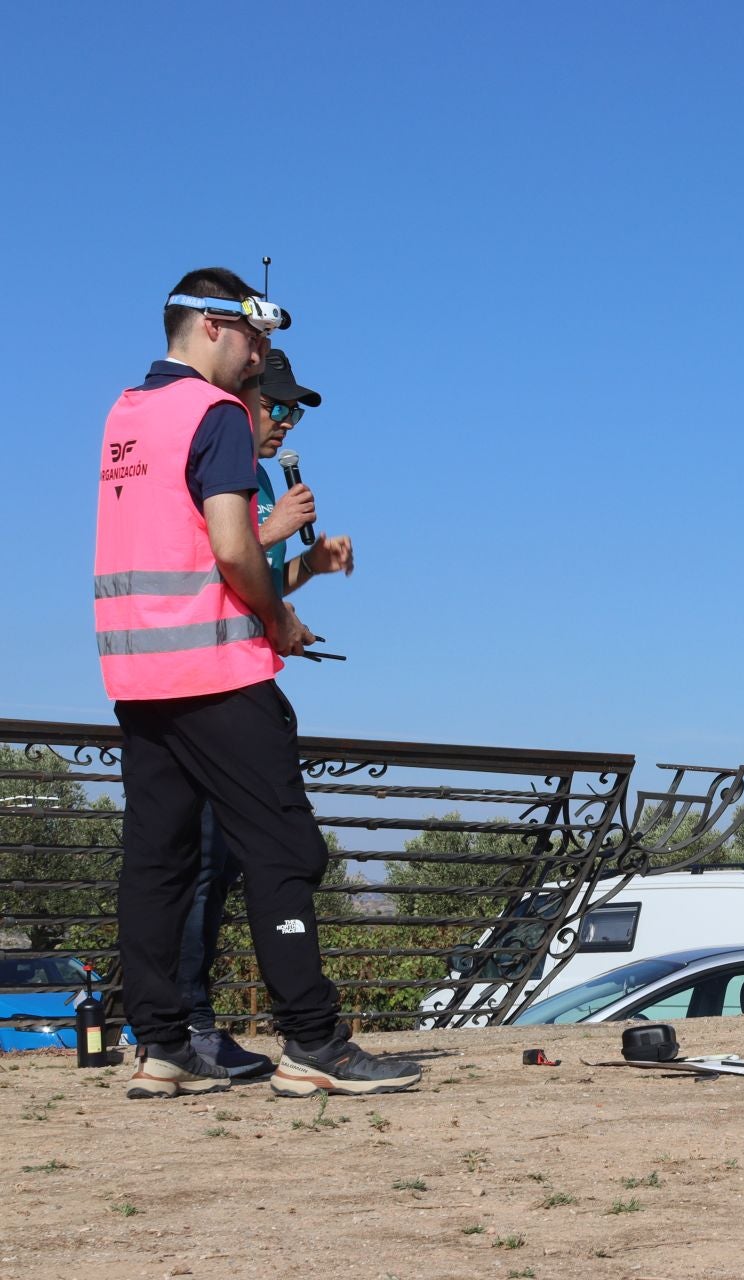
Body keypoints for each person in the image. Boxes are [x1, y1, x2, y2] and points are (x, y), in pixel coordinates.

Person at [95, 267, 416, 1098]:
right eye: (254, 337)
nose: (257, 355)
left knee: (157, 863)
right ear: (211, 325)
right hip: (217, 670)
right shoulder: (215, 414)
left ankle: (162, 1046)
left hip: (139, 676)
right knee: (285, 848)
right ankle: (314, 1042)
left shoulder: (126, 414)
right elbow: (233, 547)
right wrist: (276, 620)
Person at [174, 348, 353, 1080]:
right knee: (199, 864)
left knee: (215, 866)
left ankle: (185, 1030)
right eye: (278, 406)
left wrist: (307, 569)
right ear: (243, 394)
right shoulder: (220, 465)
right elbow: (211, 565)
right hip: (202, 691)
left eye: (295, 413)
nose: (286, 422)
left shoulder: (251, 477)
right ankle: (185, 1027)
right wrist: (275, 531)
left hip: (227, 679)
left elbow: (247, 584)